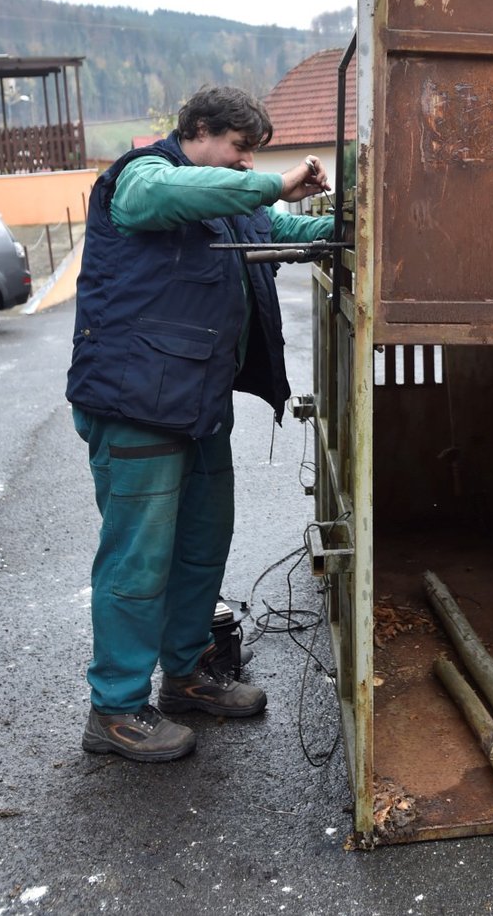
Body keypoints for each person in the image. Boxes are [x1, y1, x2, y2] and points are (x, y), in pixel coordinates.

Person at [66, 85, 334, 762]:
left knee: (199, 548)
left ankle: (185, 679)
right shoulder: (142, 177)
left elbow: (274, 228)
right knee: (138, 561)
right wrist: (271, 181)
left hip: (196, 404)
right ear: (202, 130)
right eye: (241, 150)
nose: (245, 167)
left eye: (252, 159)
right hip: (136, 403)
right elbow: (171, 199)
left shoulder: (228, 198)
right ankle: (116, 710)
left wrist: (335, 230)